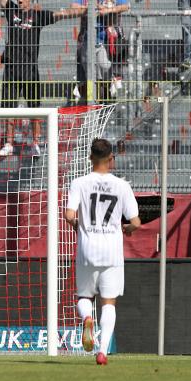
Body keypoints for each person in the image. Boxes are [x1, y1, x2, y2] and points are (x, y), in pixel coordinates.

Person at [64, 138, 140, 365]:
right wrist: (127, 228)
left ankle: (87, 317)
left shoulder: (79, 182)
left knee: (84, 296)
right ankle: (103, 351)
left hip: (87, 249)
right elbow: (135, 222)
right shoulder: (122, 185)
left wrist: (79, 225)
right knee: (108, 302)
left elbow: (69, 215)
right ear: (111, 158)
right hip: (112, 251)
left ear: (90, 158)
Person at [0, 0, 73, 156]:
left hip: (30, 69)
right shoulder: (11, 10)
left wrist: (87, 10)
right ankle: (9, 143)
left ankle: (35, 142)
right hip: (12, 69)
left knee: (34, 108)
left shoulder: (38, 16)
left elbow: (63, 14)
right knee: (8, 108)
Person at [69, 0, 130, 105]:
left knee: (104, 66)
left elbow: (126, 6)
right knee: (90, 72)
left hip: (109, 40)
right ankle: (91, 99)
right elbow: (73, 7)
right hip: (88, 39)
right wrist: (90, 8)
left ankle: (109, 88)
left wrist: (108, 10)